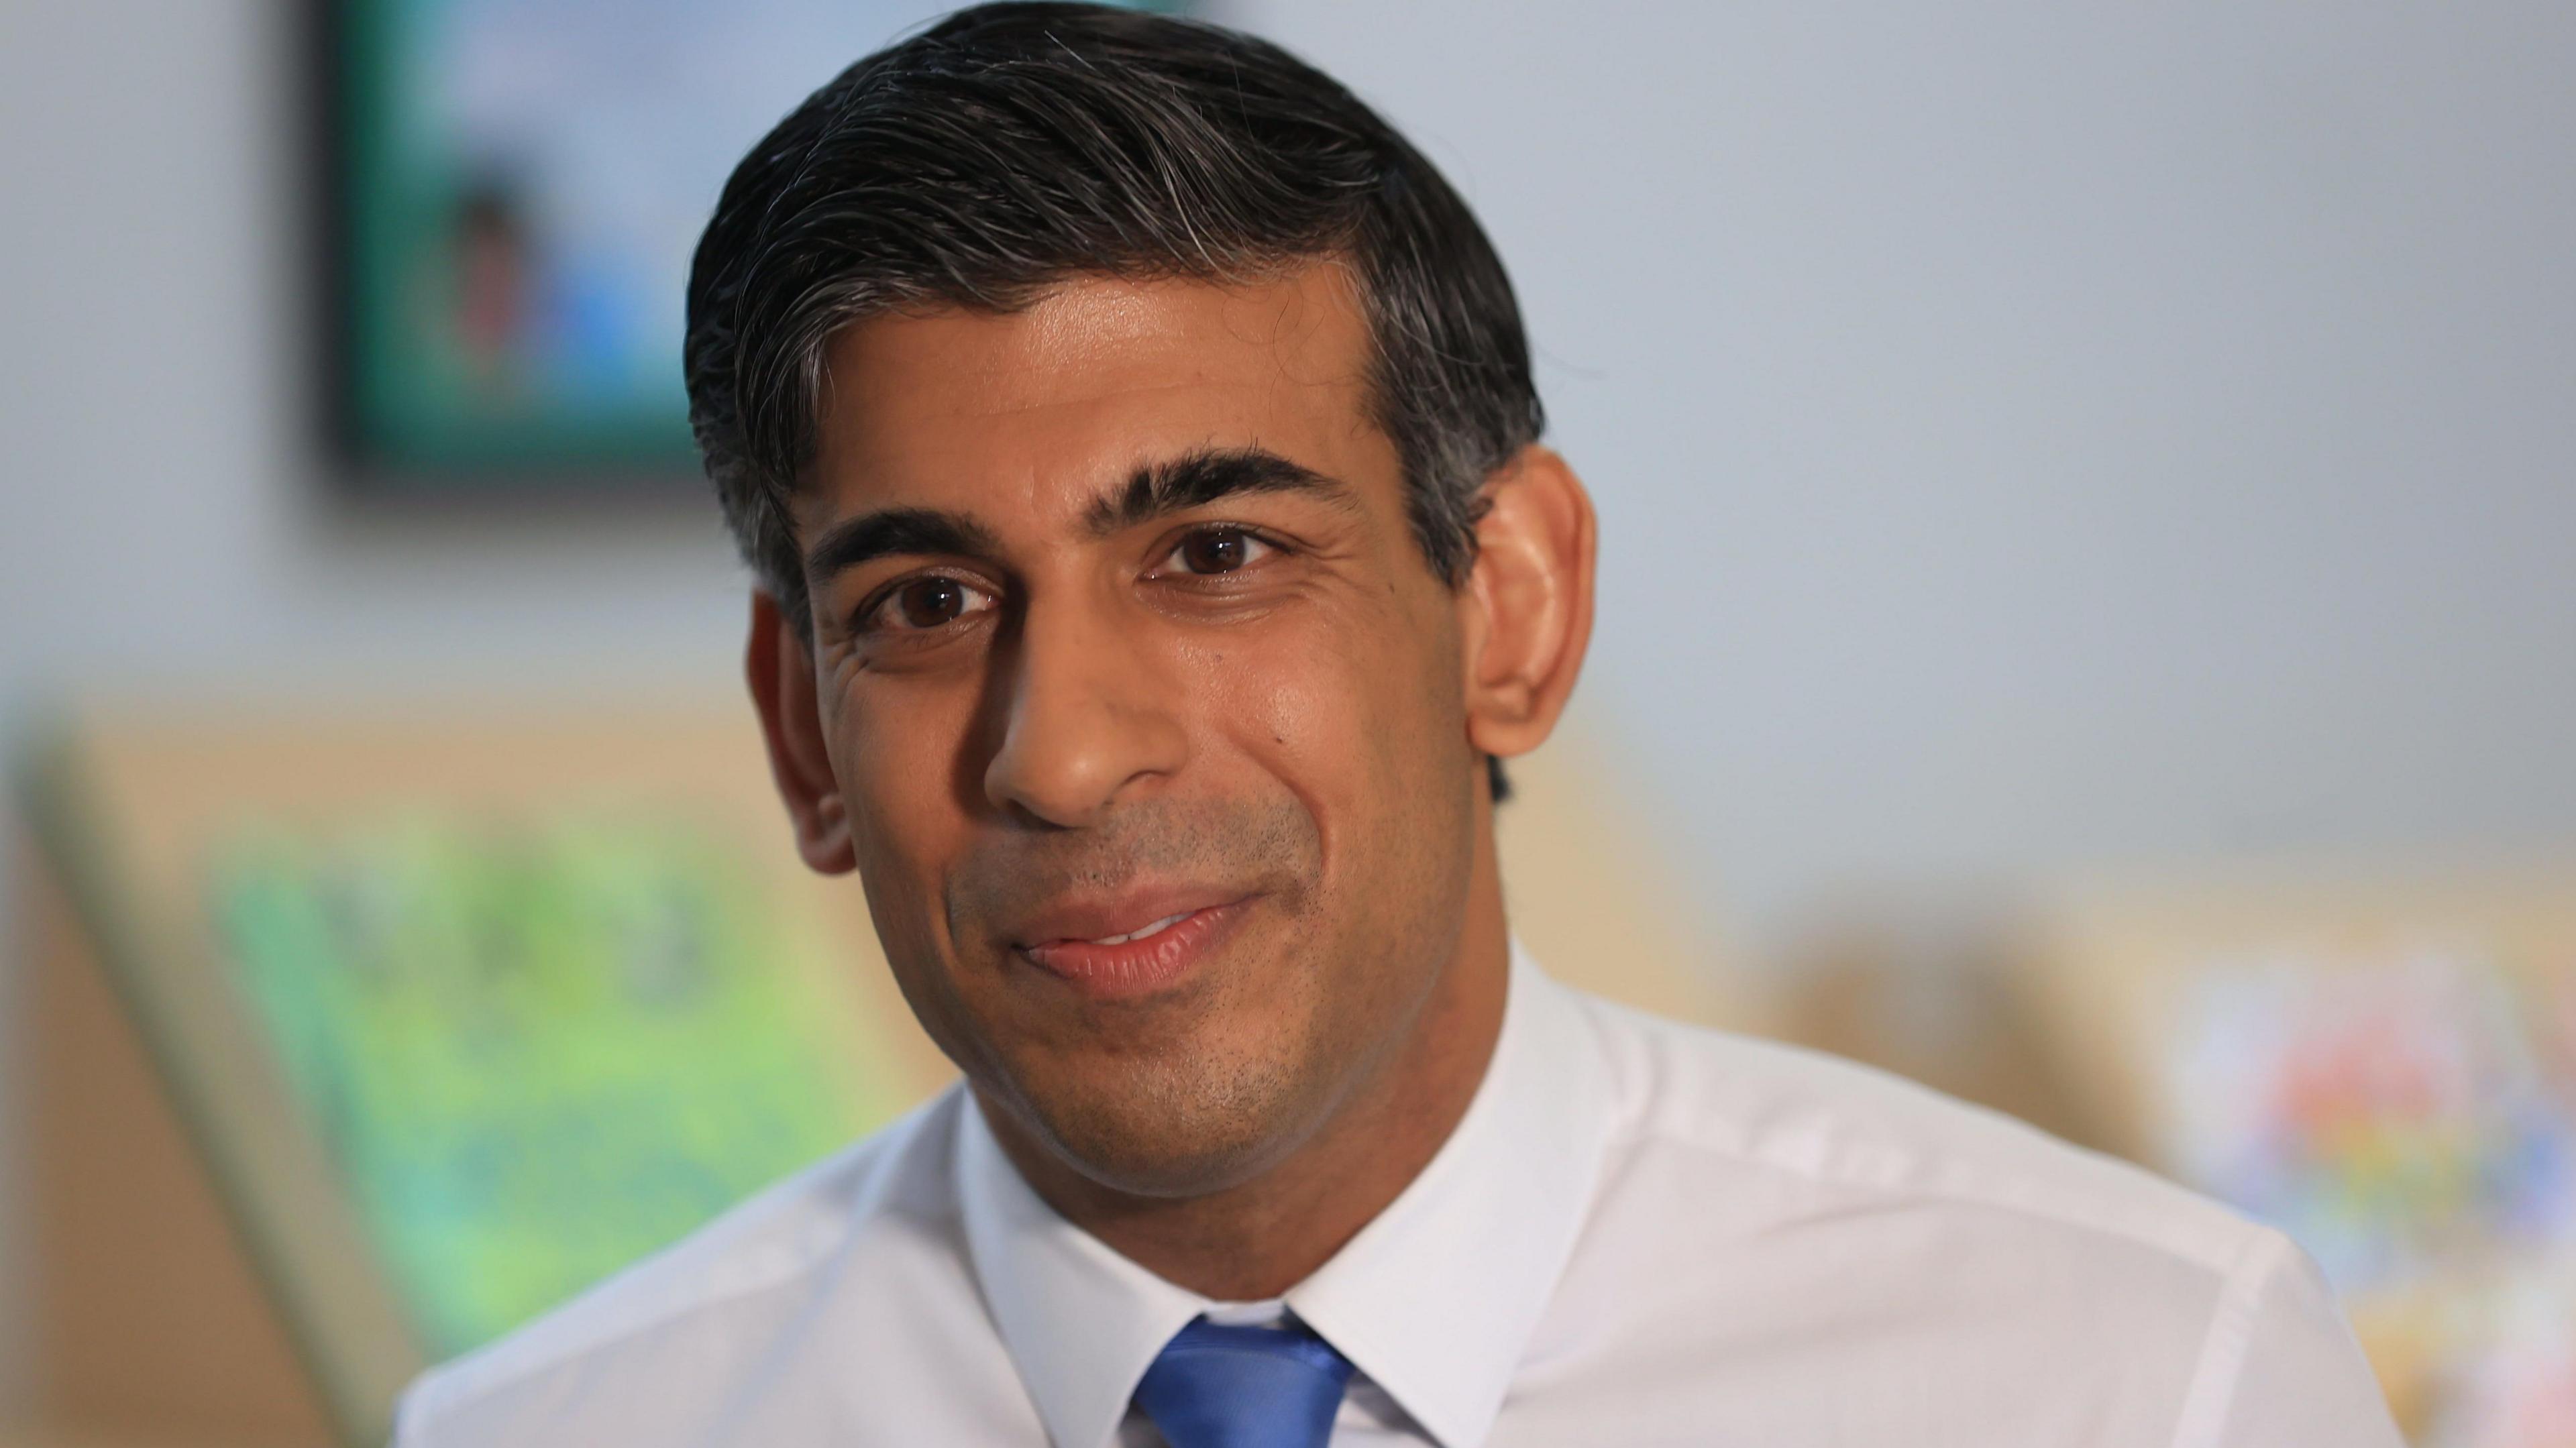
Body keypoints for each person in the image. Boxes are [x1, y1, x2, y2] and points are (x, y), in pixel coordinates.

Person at [394, 5, 2403, 1445]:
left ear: (1508, 605)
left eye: (1216, 556)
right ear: (803, 736)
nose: (1064, 755)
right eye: (927, 606)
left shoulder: (2139, 1381)